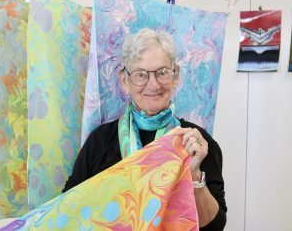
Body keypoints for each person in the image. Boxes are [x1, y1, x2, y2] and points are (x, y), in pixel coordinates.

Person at [63, 28, 226, 230]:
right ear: (125, 81)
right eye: (141, 75)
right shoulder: (100, 141)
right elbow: (67, 212)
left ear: (175, 77)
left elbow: (215, 227)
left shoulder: (196, 143)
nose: (153, 84)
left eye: (162, 73)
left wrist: (193, 174)